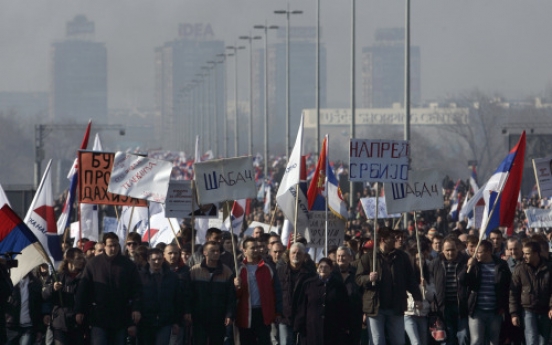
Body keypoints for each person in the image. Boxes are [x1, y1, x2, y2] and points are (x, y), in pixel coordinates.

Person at [355, 227, 423, 345]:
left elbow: (410, 280)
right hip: (375, 307)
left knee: (398, 341)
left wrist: (417, 297)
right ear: (383, 240)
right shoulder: (368, 258)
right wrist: (368, 278)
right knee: (377, 341)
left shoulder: (402, 257)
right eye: (392, 238)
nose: (396, 240)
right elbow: (358, 279)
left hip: (396, 306)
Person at [75, 232, 142, 345]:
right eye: (110, 245)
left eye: (116, 245)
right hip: (99, 317)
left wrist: (136, 308)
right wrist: (79, 310)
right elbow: (83, 289)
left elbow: (137, 289)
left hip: (120, 317)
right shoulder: (93, 264)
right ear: (104, 245)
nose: (113, 248)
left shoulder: (128, 265)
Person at [234, 238, 283, 345]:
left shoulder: (268, 267)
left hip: (263, 314)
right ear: (244, 250)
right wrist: (236, 286)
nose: (256, 250)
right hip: (245, 314)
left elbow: (277, 290)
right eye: (252, 248)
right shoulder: (238, 269)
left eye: (257, 247)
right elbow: (233, 295)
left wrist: (278, 311)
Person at [187, 241, 235, 345]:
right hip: (199, 317)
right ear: (205, 252)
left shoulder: (227, 272)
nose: (216, 253)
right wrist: (188, 311)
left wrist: (229, 314)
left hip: (218, 317)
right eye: (212, 251)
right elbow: (189, 294)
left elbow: (231, 296)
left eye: (218, 251)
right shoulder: (195, 271)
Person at [465, 240, 510, 345]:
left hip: (495, 311)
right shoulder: (474, 265)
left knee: (493, 341)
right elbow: (464, 281)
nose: (477, 255)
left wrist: (503, 306)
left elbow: (507, 286)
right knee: (476, 341)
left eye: (479, 252)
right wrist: (468, 267)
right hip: (476, 311)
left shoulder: (501, 265)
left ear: (489, 252)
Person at [294, 258, 349, 345]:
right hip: (312, 328)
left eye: (326, 267)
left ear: (331, 269)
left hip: (332, 328)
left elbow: (344, 307)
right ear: (317, 269)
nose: (323, 269)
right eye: (321, 267)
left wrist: (345, 326)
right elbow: (302, 306)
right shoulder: (308, 284)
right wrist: (299, 325)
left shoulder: (338, 285)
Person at [428, 235, 469, 345]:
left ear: (457, 249)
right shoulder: (435, 264)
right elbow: (430, 283)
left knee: (463, 335)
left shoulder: (466, 262)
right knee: (449, 337)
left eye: (452, 250)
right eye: (447, 250)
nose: (450, 253)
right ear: (442, 250)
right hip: (444, 308)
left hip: (462, 306)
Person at [138, 248, 183, 345]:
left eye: (159, 259)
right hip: (145, 322)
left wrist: (176, 322)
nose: (157, 262)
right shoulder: (140, 277)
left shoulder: (172, 277)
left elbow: (177, 300)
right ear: (148, 260)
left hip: (165, 321)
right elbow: (136, 298)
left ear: (163, 259)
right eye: (154, 259)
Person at [510, 241, 552, 344]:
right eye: (523, 253)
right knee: (531, 339)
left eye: (527, 253)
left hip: (545, 310)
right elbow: (513, 293)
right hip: (528, 310)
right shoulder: (520, 269)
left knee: (544, 341)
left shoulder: (549, 268)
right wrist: (514, 314)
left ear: (536, 253)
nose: (524, 256)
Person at [42, 248, 87, 345]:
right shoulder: (57, 276)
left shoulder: (85, 277)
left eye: (82, 258)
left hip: (78, 323)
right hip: (61, 323)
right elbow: (44, 295)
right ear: (69, 259)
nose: (81, 261)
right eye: (78, 258)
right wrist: (53, 289)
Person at [276, 242, 316, 345]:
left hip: (304, 318)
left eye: (299, 253)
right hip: (285, 317)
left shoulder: (310, 273)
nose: (296, 255)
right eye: (293, 253)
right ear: (289, 254)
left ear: (304, 256)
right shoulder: (280, 271)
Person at [5, 270, 46, 344]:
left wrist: (40, 330)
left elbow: (39, 308)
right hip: (11, 326)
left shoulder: (36, 283)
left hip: (28, 327)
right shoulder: (10, 281)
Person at [335, 246, 363, 345]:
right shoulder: (332, 273)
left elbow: (363, 293)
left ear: (350, 257)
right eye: (338, 256)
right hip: (335, 317)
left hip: (354, 317)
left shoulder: (358, 273)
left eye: (343, 256)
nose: (340, 258)